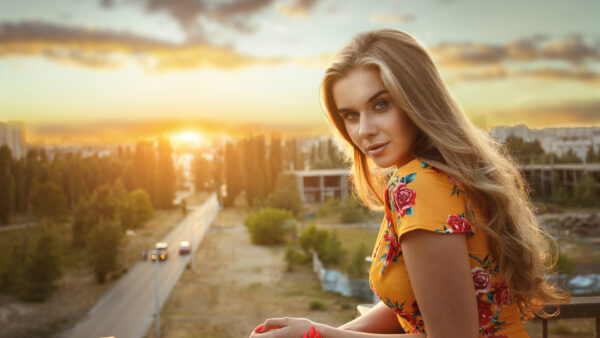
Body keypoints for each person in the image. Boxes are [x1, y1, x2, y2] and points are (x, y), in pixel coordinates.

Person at [250, 29, 568, 338]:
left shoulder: (420, 185)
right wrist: (324, 333)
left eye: (380, 104)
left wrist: (322, 335)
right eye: (349, 115)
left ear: (417, 99)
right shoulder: (446, 172)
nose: (364, 130)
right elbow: (416, 301)